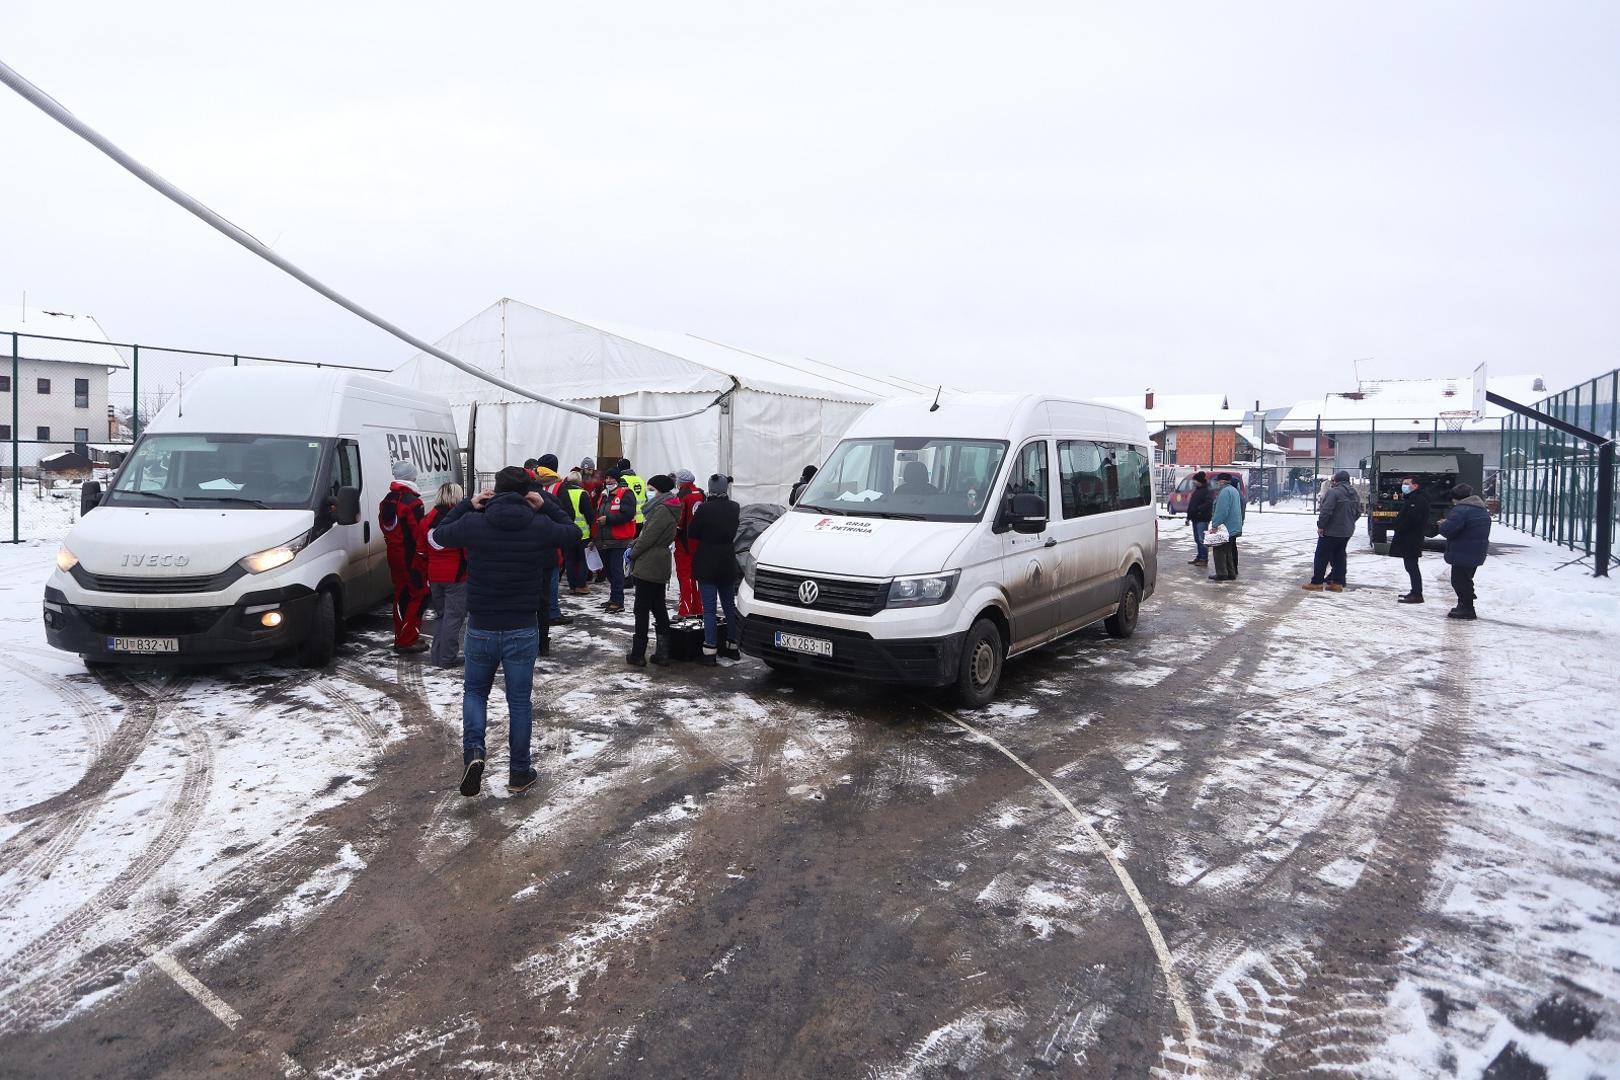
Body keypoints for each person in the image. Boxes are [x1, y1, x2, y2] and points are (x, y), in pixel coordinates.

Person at [429, 466, 578, 797]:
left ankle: (474, 752)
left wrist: (468, 504)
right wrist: (548, 505)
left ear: (493, 490)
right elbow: (574, 533)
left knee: (475, 693)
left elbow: (436, 537)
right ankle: (519, 772)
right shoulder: (539, 524)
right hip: (522, 626)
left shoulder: (475, 522)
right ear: (529, 492)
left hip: (481, 623)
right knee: (520, 702)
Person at [688, 473, 742, 664]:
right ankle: (732, 646)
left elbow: (692, 532)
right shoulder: (734, 507)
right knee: (729, 605)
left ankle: (710, 650)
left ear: (710, 488)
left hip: (707, 561)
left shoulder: (704, 509)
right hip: (727, 559)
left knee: (709, 609)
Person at [627, 475, 681, 666]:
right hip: (659, 561)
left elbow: (648, 537)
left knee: (641, 608)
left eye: (651, 489)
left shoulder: (662, 510)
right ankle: (662, 653)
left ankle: (638, 654)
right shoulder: (667, 507)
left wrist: (633, 553)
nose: (649, 493)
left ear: (659, 490)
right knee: (658, 606)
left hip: (650, 562)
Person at [378, 461, 431, 653]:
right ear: (412, 477)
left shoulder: (387, 500)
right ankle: (407, 640)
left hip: (394, 554)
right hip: (411, 558)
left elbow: (386, 528)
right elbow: (419, 533)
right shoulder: (412, 502)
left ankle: (400, 635)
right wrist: (423, 556)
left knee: (400, 594)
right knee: (419, 594)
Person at [423, 482, 469, 667]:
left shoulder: (427, 519)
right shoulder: (459, 520)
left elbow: (421, 549)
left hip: (434, 575)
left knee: (442, 616)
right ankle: (447, 657)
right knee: (454, 618)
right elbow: (466, 549)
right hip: (456, 576)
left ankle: (437, 655)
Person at [1437, 483, 1491, 620]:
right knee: (1466, 580)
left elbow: (1448, 530)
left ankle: (1467, 608)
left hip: (1463, 552)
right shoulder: (1480, 508)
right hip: (1476, 550)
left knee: (1459, 582)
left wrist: (1443, 524)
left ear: (1455, 497)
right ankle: (1463, 605)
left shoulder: (1461, 510)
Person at [1305, 469, 1362, 592]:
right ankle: (1338, 583)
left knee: (1321, 556)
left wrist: (1321, 526)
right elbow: (1358, 512)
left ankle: (1317, 583)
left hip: (1332, 531)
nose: (1332, 482)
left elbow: (1326, 511)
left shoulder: (1333, 492)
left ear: (1337, 481)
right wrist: (1349, 522)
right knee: (1339, 556)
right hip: (1347, 531)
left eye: (1333, 480)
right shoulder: (1354, 493)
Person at [593, 468, 637, 613]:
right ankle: (614, 597)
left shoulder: (626, 493)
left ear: (617, 479)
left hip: (619, 539)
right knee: (609, 571)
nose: (608, 481)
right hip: (605, 539)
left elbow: (628, 514)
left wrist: (608, 519)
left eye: (611, 478)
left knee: (616, 570)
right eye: (607, 478)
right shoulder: (604, 495)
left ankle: (618, 601)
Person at [1388, 476, 1431, 604]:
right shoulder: (1412, 499)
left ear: (1415, 485)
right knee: (1410, 566)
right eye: (1403, 483)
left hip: (1412, 538)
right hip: (1409, 537)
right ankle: (1415, 591)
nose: (1404, 486)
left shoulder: (1417, 500)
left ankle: (1417, 593)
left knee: (1412, 566)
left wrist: (1399, 526)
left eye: (1407, 484)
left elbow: (1411, 519)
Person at [556, 467, 594, 595]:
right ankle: (581, 585)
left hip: (567, 532)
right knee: (582, 560)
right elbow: (589, 515)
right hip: (582, 534)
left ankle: (572, 585)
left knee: (570, 560)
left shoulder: (562, 493)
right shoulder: (582, 494)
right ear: (579, 481)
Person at [673, 468, 705, 619]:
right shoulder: (701, 493)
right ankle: (698, 607)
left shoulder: (682, 496)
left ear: (681, 482)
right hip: (699, 542)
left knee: (684, 577)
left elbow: (679, 522)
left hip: (684, 543)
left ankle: (685, 609)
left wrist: (671, 538)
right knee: (696, 577)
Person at [1207, 472, 1244, 582]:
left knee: (1219, 550)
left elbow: (1222, 511)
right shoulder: (1234, 490)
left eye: (1218, 481)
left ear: (1222, 481)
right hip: (1234, 526)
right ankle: (1230, 573)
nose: (1217, 483)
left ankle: (1222, 573)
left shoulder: (1225, 492)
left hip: (1226, 527)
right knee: (1228, 551)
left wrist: (1215, 525)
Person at [1185, 471, 1213, 568]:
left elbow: (1209, 504)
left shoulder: (1206, 491)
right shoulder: (1197, 490)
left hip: (1202, 518)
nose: (1193, 482)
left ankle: (1204, 558)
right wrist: (1188, 517)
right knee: (1197, 539)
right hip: (1195, 518)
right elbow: (1191, 505)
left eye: (1195, 481)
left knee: (1202, 539)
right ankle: (1200, 556)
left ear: (1199, 481)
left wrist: (1199, 510)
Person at [616, 458, 647, 532]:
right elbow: (646, 497)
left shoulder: (622, 480)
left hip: (629, 518)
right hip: (640, 519)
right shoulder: (640, 479)